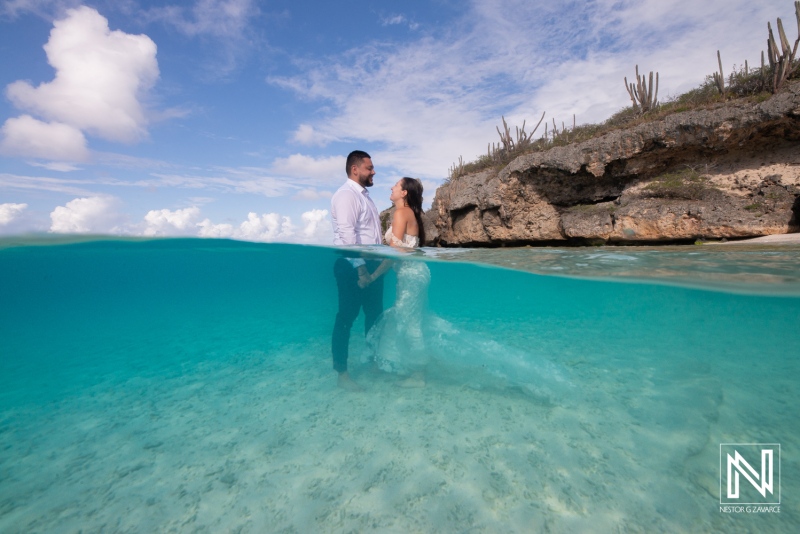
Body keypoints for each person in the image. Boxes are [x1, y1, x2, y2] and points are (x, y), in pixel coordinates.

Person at [361, 177, 431, 388]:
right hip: (413, 274)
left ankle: (418, 375)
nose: (391, 187)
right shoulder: (409, 213)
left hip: (411, 276)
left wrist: (372, 276)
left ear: (404, 193)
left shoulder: (401, 213)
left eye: (396, 185)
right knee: (407, 321)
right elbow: (398, 252)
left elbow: (393, 253)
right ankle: (400, 366)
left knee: (409, 324)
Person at [330, 150, 384, 391]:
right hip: (352, 266)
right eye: (369, 168)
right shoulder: (346, 195)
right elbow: (347, 235)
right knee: (346, 319)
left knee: (374, 318)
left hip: (370, 265)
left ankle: (373, 363)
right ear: (355, 169)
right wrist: (362, 270)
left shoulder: (365, 196)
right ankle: (342, 374)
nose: (373, 172)